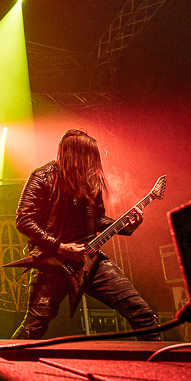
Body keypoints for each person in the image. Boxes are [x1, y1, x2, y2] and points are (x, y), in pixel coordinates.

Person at [12, 129, 160, 340]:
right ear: (76, 155)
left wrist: (127, 226)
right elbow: (24, 220)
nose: (94, 162)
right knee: (33, 330)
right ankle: (2, 359)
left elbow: (98, 219)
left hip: (90, 260)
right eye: (90, 156)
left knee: (142, 314)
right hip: (53, 264)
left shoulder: (90, 182)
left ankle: (156, 358)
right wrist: (60, 247)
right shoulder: (42, 177)